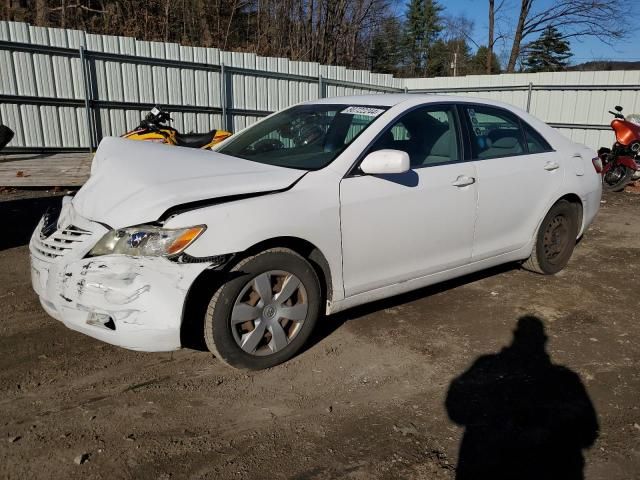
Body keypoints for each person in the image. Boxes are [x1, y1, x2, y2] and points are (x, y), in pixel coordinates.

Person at [446, 316, 599, 480]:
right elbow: (588, 434)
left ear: (515, 335)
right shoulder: (566, 379)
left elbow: (455, 409)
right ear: (544, 340)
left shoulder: (487, 365)